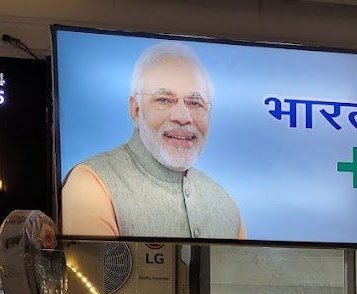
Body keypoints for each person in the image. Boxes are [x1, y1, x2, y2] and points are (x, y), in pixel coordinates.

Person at [60, 41, 245, 240]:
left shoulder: (227, 206)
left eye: (195, 103)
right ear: (136, 109)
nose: (182, 117)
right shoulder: (91, 183)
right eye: (164, 100)